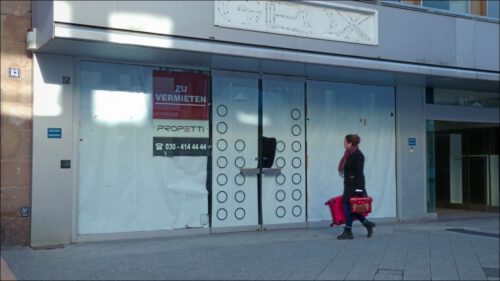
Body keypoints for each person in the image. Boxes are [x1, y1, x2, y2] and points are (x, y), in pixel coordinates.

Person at [336, 134, 375, 240]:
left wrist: (359, 190)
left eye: (345, 142)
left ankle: (348, 231)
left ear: (350, 143)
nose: (343, 143)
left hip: (354, 187)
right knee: (353, 209)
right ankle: (367, 224)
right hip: (348, 185)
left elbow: (359, 174)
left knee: (347, 207)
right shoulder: (348, 154)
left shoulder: (358, 155)